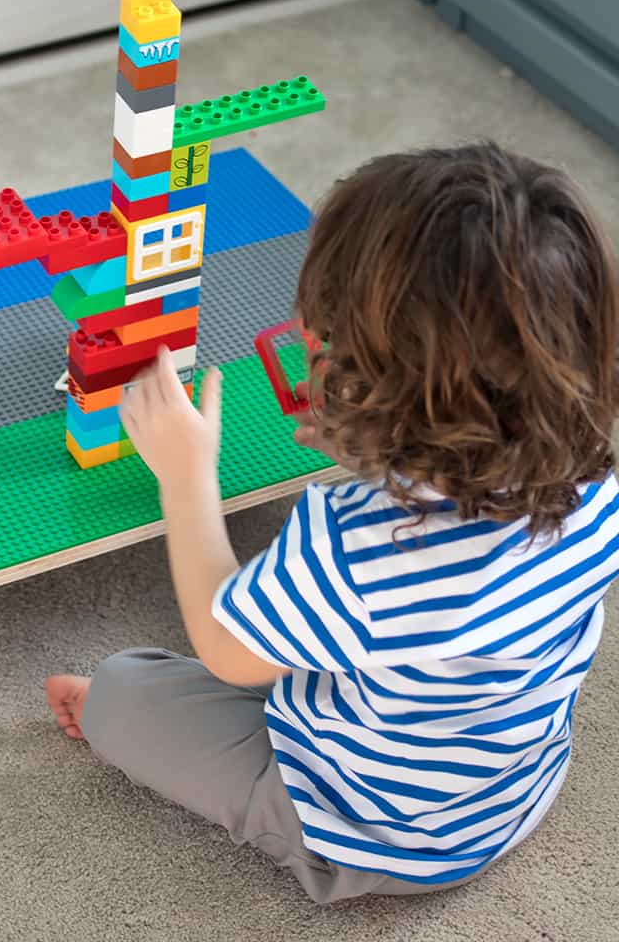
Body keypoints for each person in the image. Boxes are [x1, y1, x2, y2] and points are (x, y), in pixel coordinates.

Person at [45, 142, 619, 903]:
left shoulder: (353, 542)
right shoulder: (599, 474)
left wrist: (185, 475)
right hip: (513, 783)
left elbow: (223, 650)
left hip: (374, 832)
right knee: (331, 643)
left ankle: (145, 724)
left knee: (125, 691)